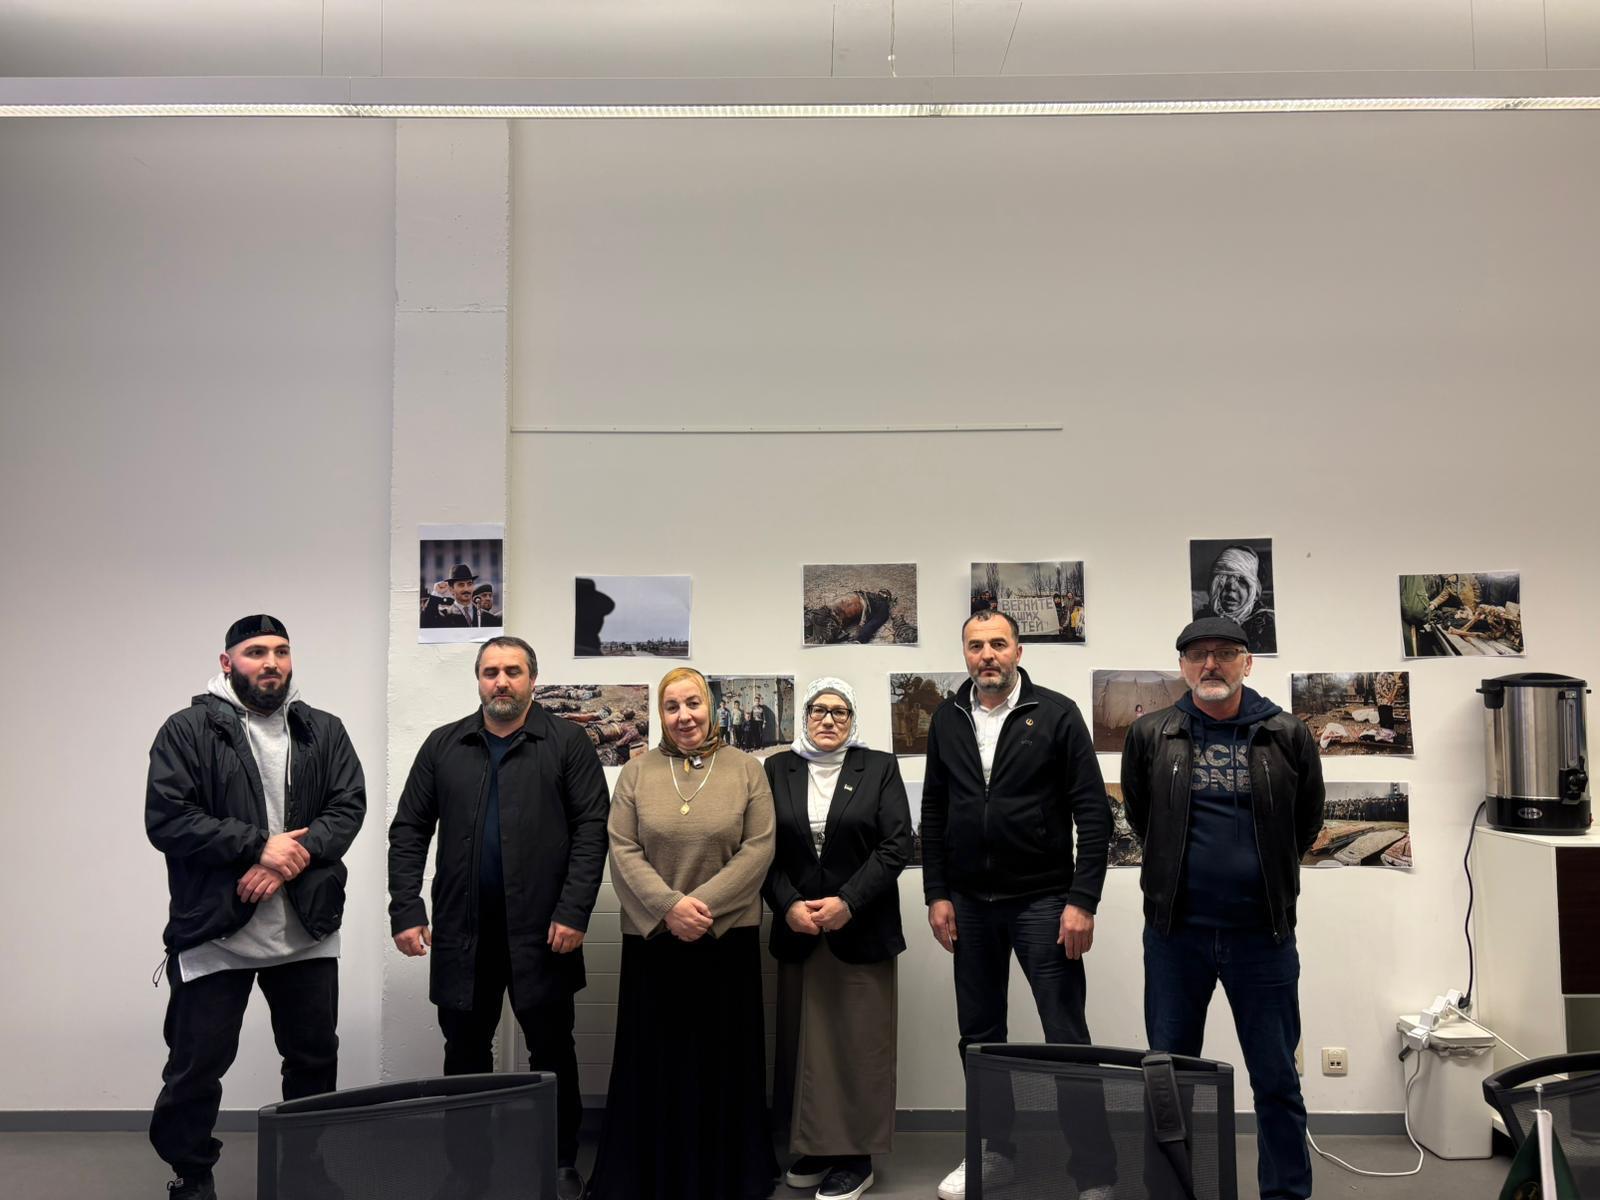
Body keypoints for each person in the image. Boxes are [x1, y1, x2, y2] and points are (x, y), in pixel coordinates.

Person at [146, 615, 367, 1200]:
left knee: (313, 1060)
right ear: (227, 663)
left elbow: (347, 808)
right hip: (216, 930)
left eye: (281, 651)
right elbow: (168, 819)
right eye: (255, 652)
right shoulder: (187, 730)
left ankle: (306, 1167)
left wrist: (282, 859)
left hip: (307, 928)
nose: (271, 662)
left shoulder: (324, 730)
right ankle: (191, 1174)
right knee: (196, 1066)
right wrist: (256, 845)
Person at [388, 636, 609, 1200]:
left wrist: (574, 910)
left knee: (552, 1049)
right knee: (464, 1053)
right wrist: (406, 908)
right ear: (479, 679)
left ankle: (560, 1162)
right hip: (464, 932)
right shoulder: (445, 745)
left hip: (546, 930)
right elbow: (409, 829)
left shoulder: (567, 743)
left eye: (513, 671)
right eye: (491, 672)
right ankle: (468, 1169)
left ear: (533, 679)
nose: (501, 681)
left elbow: (591, 832)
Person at [1121, 617, 1324, 1200]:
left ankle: (1286, 1193)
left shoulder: (1287, 734)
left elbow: (1305, 823)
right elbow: (1142, 817)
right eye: (1198, 654)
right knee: (1170, 1080)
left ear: (1247, 662)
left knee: (1277, 1079)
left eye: (1225, 653)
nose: (1210, 664)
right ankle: (1173, 1191)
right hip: (1175, 937)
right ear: (1183, 666)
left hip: (1262, 937)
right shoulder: (1152, 734)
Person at [921, 610, 1115, 1200]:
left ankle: (1094, 1172)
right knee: (980, 1039)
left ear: (1018, 651)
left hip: (1043, 901)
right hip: (970, 904)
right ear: (965, 654)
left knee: (1066, 1035)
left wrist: (1082, 900)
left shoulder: (1056, 714)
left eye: (998, 644)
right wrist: (936, 893)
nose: (987, 655)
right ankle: (993, 1153)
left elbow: (1094, 813)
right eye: (976, 646)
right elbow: (934, 812)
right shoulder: (947, 718)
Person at [588, 667, 778, 1200]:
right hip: (654, 940)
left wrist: (703, 909)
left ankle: (724, 1176)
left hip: (726, 940)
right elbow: (622, 850)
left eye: (692, 703)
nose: (684, 716)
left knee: (723, 1063)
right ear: (660, 713)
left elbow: (759, 849)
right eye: (672, 707)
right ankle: (654, 1174)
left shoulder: (747, 770)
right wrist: (670, 908)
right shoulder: (635, 773)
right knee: (655, 1063)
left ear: (710, 707)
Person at [764, 678, 913, 1200]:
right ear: (804, 718)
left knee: (859, 1045)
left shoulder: (878, 767)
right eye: (818, 710)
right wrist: (787, 905)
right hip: (800, 930)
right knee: (806, 1046)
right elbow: (760, 848)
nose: (828, 720)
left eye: (840, 711)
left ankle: (856, 1157)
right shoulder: (777, 769)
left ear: (853, 720)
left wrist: (848, 901)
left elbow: (896, 845)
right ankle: (818, 1145)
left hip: (861, 929)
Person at [1194, 544, 1275, 652]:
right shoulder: (1202, 620)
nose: (1231, 587)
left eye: (1242, 581)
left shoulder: (1266, 625)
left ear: (1255, 592)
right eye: (1223, 579)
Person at [422, 563, 485, 629]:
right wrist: (436, 593)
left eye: (469, 584)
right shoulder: (445, 616)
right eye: (461, 585)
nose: (466, 589)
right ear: (451, 589)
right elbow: (425, 624)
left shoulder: (486, 616)